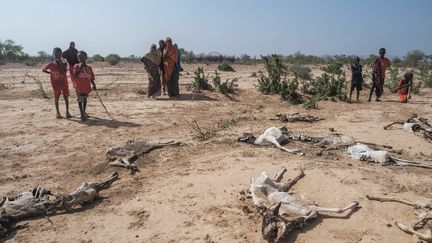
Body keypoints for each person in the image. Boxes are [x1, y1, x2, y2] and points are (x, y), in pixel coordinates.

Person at [42, 47, 71, 119]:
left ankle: (67, 112)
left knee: (66, 97)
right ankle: (58, 113)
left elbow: (65, 72)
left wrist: (61, 63)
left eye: (59, 53)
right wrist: (51, 73)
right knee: (56, 98)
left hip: (64, 82)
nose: (58, 54)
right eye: (56, 53)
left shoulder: (64, 62)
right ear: (53, 54)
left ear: (61, 54)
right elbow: (43, 69)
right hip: (55, 83)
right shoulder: (51, 63)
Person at [73, 51, 96, 121]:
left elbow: (91, 78)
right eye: (79, 57)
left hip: (86, 87)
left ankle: (84, 111)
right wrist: (80, 67)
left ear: (86, 58)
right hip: (79, 87)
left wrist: (94, 85)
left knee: (85, 99)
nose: (81, 59)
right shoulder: (76, 66)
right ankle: (81, 114)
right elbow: (75, 74)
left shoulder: (89, 68)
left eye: (82, 57)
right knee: (80, 100)